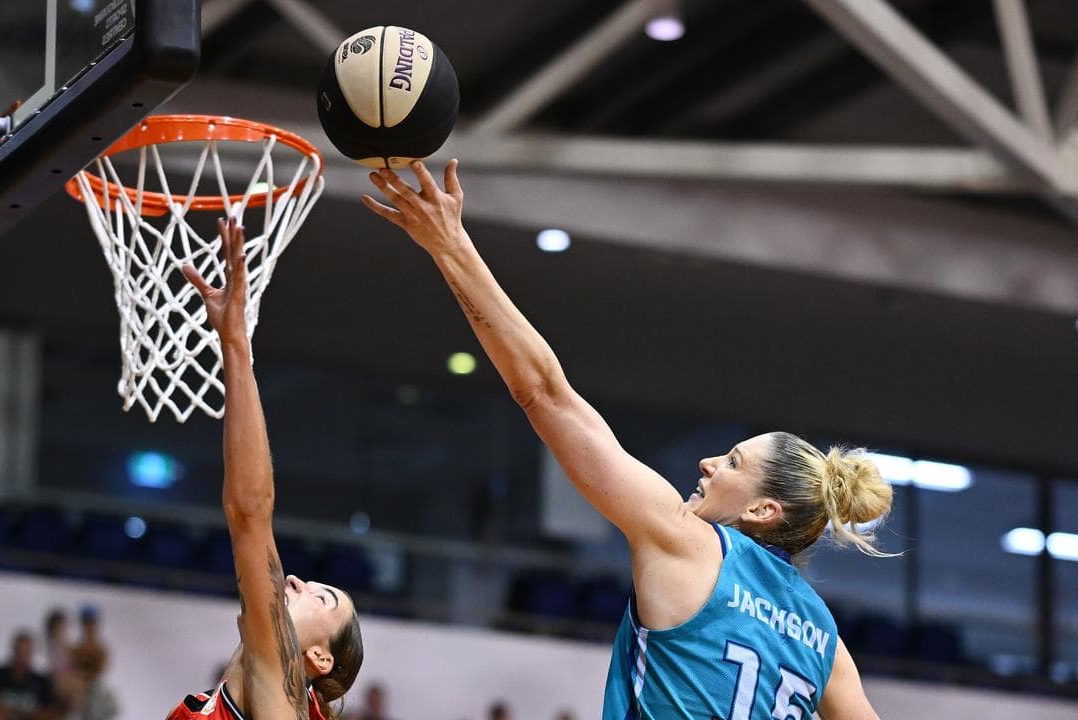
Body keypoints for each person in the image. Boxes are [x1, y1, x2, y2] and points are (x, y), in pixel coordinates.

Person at [363, 162, 893, 719]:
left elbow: (544, 393)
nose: (709, 463)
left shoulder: (684, 540)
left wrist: (451, 246)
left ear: (763, 509)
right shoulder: (823, 637)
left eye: (734, 462)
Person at [171, 218, 364, 720]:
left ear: (318, 658)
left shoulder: (286, 694)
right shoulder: (242, 701)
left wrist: (235, 344)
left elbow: (250, 513)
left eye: (322, 598)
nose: (296, 580)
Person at [0, 631, 53, 720]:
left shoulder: (41, 683)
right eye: (19, 652)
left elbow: (49, 711)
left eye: (26, 653)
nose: (22, 657)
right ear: (14, 651)